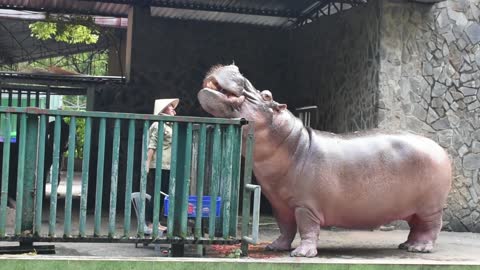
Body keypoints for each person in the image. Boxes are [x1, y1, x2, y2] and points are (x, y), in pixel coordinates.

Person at [144, 98, 179, 234]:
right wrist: (147, 164)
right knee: (157, 194)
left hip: (167, 165)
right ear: (164, 110)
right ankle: (151, 222)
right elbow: (152, 146)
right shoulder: (159, 125)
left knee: (162, 194)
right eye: (171, 107)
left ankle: (156, 221)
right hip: (160, 165)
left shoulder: (168, 125)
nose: (174, 110)